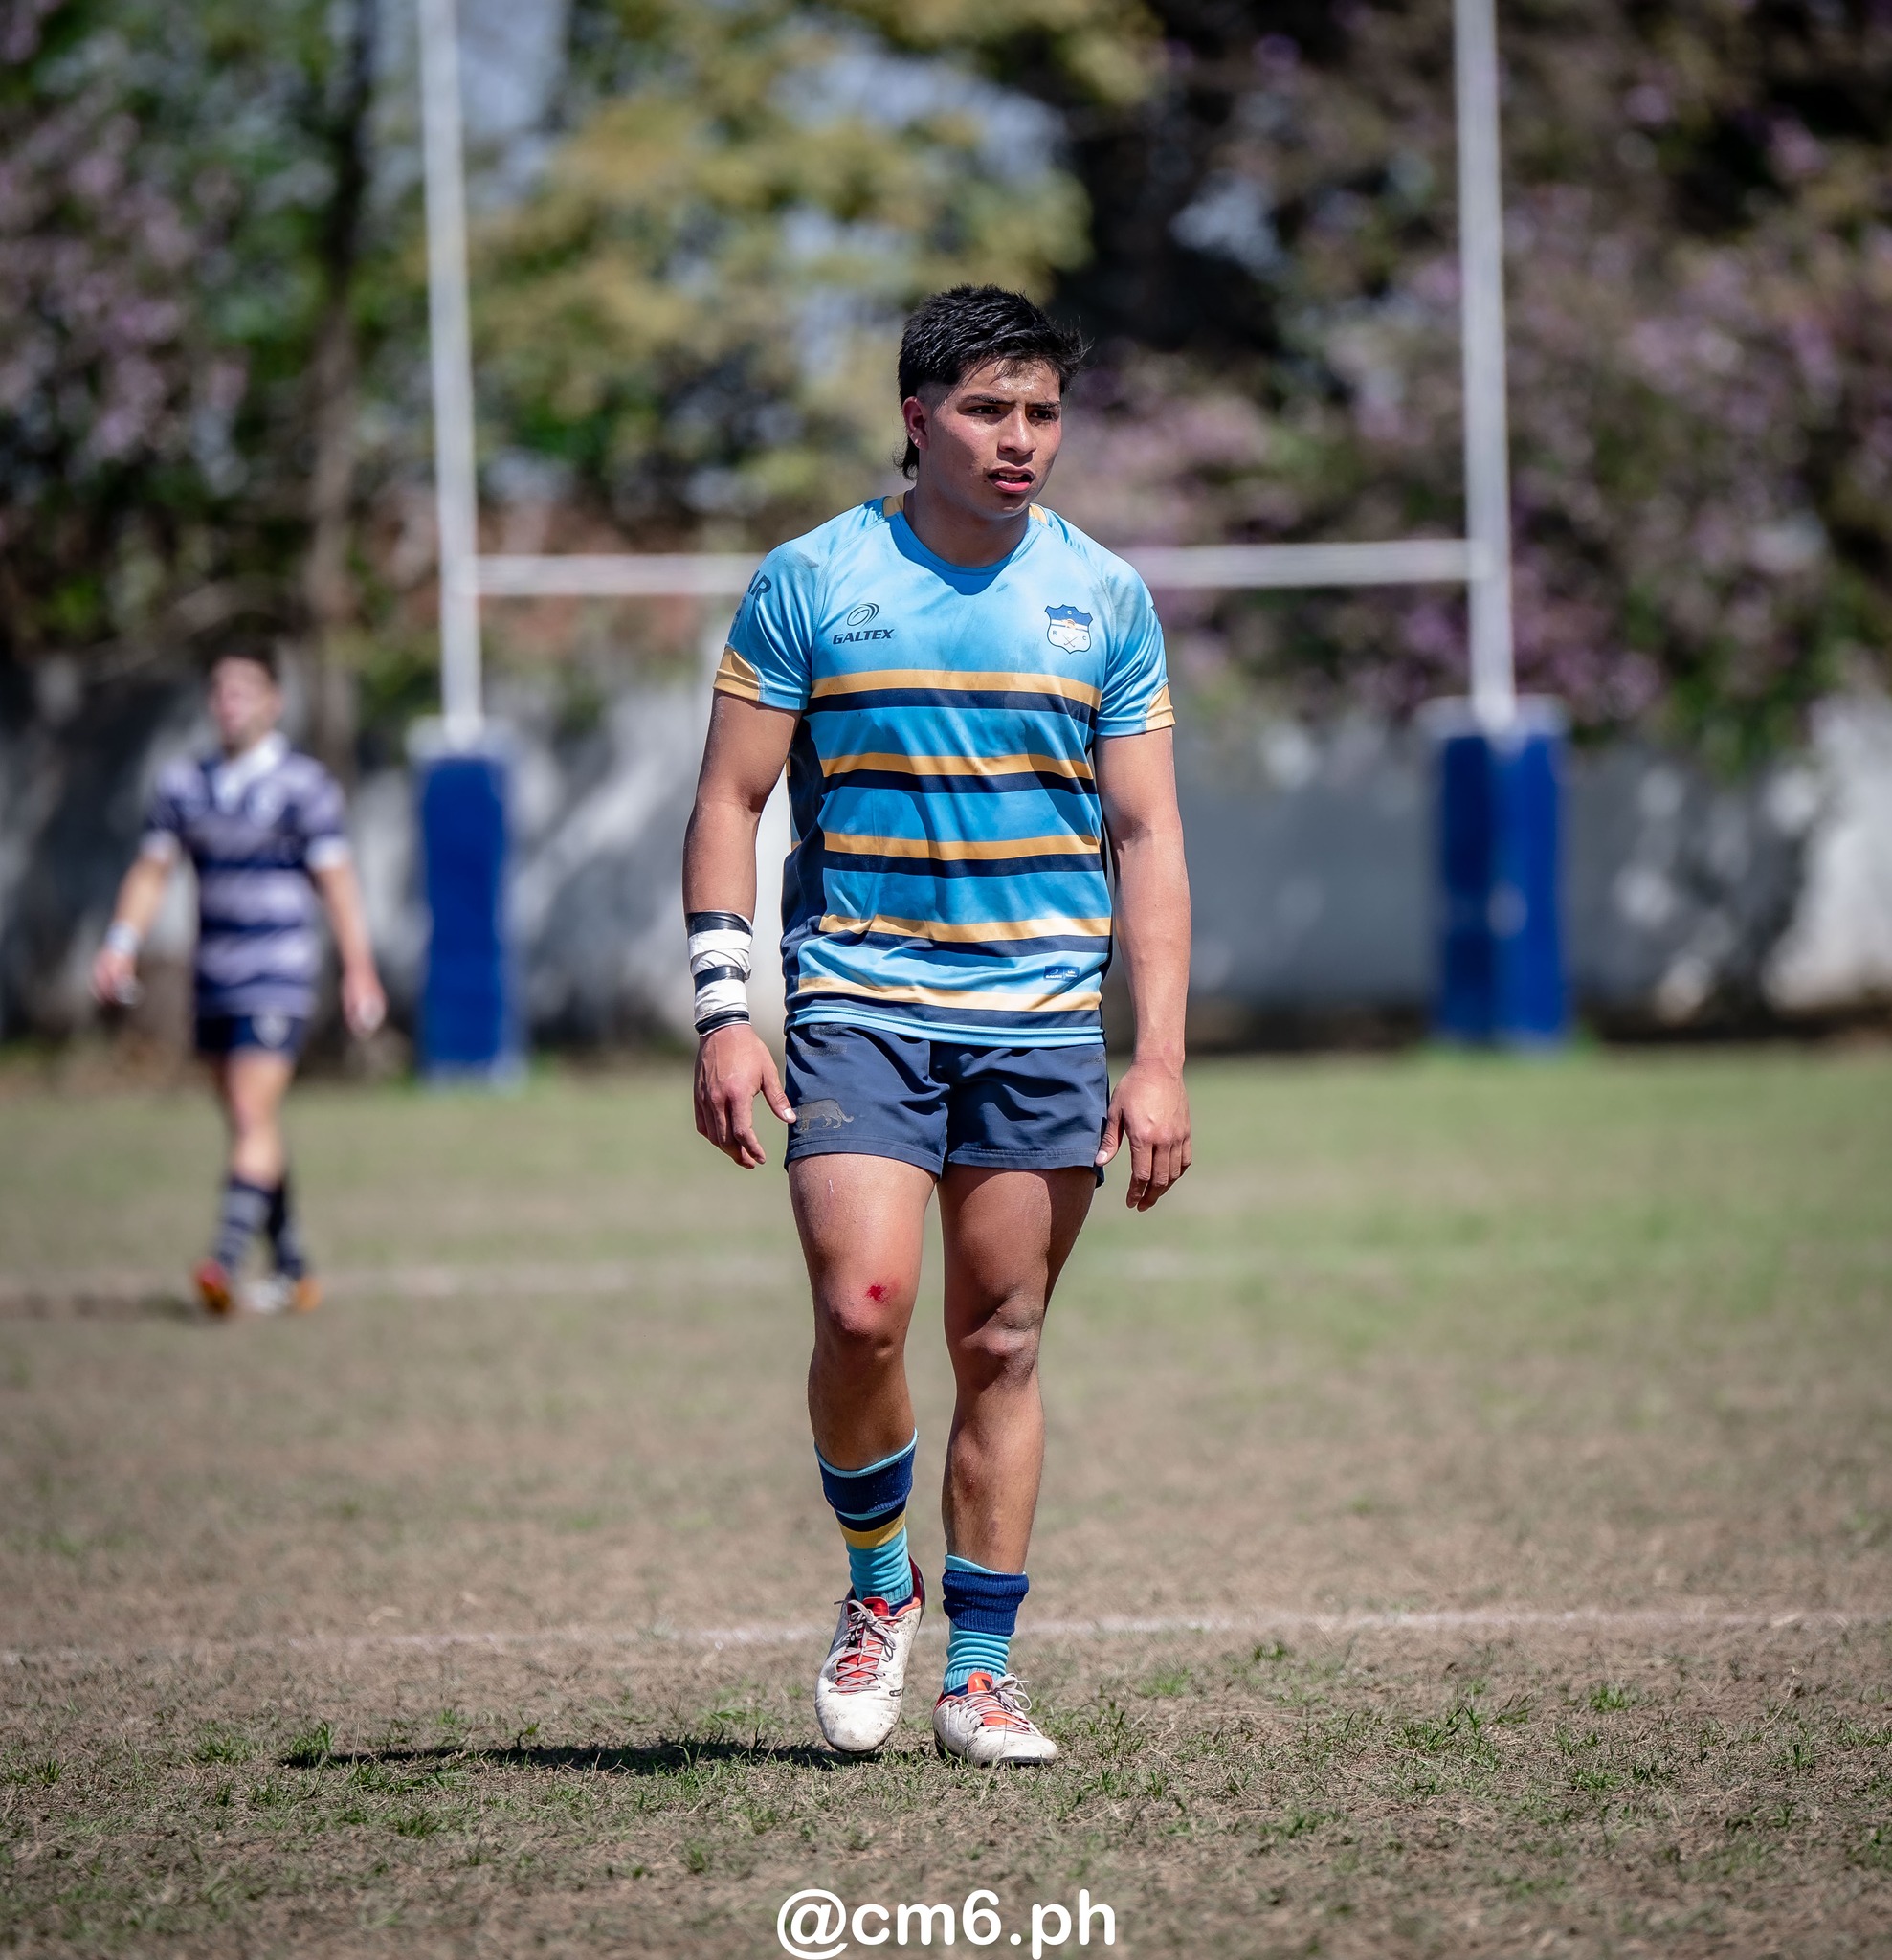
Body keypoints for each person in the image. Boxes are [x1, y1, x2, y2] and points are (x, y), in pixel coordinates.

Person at [682, 285, 1192, 1767]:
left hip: (1039, 1026)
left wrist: (1153, 1056)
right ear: (918, 420)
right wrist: (728, 1014)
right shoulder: (811, 580)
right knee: (862, 1309)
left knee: (1004, 1340)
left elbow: (1148, 839)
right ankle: (871, 1592)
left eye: (1041, 412)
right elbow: (729, 802)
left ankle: (979, 1674)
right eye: (988, 411)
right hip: (857, 1007)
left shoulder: (1104, 596)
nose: (1020, 439)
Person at [91, 649, 386, 1316]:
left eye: (243, 690)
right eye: (220, 690)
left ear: (273, 701)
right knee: (250, 1123)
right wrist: (119, 942)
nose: (229, 702)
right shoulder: (183, 785)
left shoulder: (304, 786)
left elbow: (337, 884)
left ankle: (220, 1262)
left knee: (252, 1114)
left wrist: (359, 970)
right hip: (213, 977)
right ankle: (292, 1266)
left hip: (278, 975)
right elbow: (150, 872)